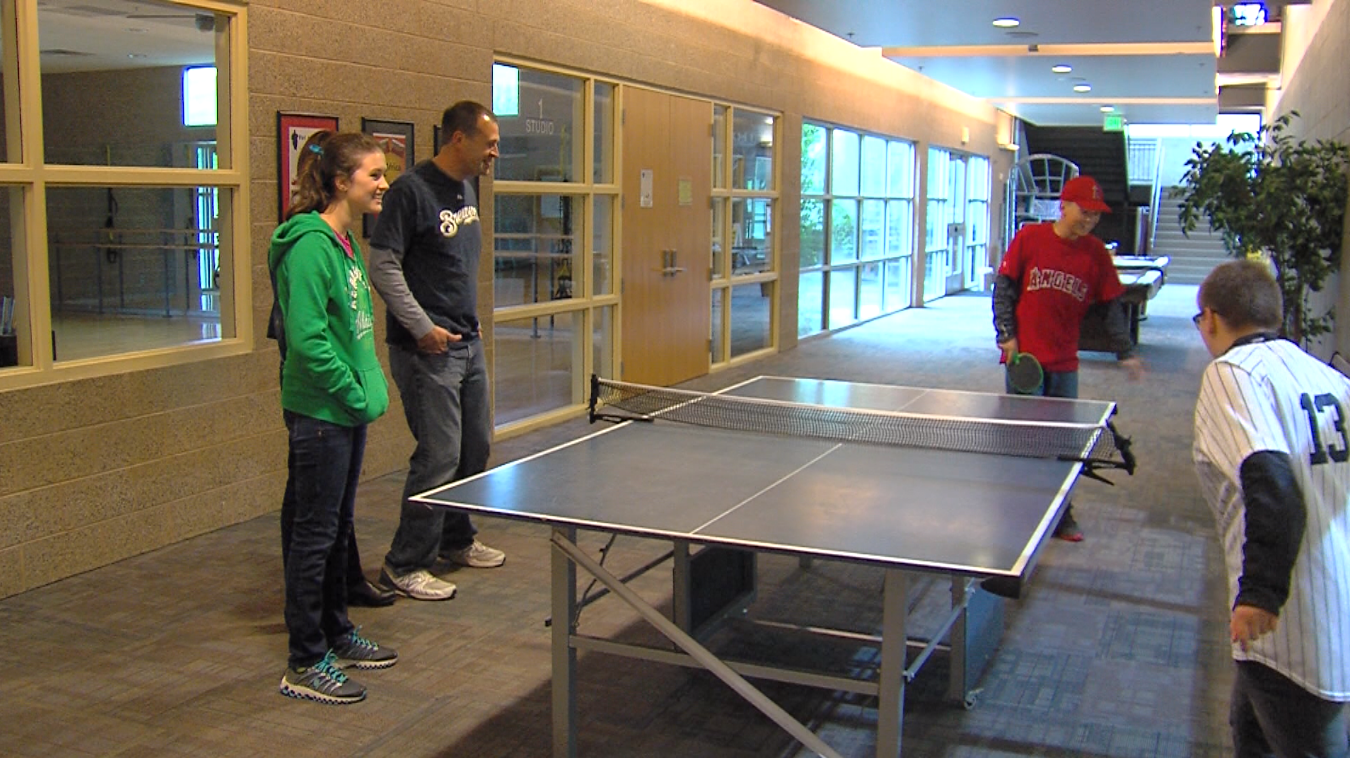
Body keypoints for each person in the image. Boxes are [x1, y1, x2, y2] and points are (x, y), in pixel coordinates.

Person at [1191, 259, 1350, 758]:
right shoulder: (1324, 376)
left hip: (1291, 626)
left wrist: (1259, 594)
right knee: (1248, 727)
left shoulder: (1230, 375)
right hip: (1334, 605)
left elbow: (1272, 483)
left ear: (1212, 318)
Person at [271, 131, 398, 704]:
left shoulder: (344, 243)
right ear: (342, 182)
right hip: (322, 413)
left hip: (345, 410)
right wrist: (350, 390)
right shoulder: (309, 246)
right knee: (314, 536)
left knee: (335, 527)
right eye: (374, 174)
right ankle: (304, 660)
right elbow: (307, 341)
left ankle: (337, 632)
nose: (383, 184)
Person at [369, 101, 505, 601]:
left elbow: (456, 266)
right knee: (438, 457)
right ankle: (404, 564)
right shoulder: (411, 191)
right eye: (489, 143)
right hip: (428, 350)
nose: (495, 153)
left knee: (474, 450)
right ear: (457, 140)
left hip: (468, 342)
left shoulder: (468, 185)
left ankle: (456, 538)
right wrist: (423, 328)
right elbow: (383, 266)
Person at [991, 175, 1143, 541]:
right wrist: (1007, 336)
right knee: (1024, 441)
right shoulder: (1029, 239)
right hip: (1025, 359)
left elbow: (1111, 307)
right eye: (1084, 211)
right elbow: (1004, 289)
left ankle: (1061, 514)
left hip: (1064, 362)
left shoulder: (1095, 255)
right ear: (1064, 205)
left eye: (1095, 215)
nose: (1089, 220)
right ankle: (1021, 509)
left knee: (1063, 443)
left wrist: (1125, 351)